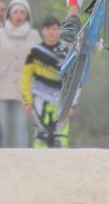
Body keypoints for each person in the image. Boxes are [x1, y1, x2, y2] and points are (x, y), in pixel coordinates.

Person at [0, 0, 41, 148]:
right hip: (0, 89)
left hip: (25, 92)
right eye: (15, 12)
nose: (19, 15)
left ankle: (22, 162)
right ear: (9, 15)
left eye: (22, 12)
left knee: (21, 129)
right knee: (0, 128)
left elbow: (39, 64)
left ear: (27, 15)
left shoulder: (34, 35)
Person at [21, 16, 74, 148]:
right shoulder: (35, 52)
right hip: (40, 99)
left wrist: (73, 104)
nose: (51, 32)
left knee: (61, 137)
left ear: (59, 31)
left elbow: (75, 80)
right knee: (40, 135)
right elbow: (26, 77)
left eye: (55, 29)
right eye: (49, 29)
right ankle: (38, 165)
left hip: (61, 101)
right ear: (43, 31)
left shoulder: (68, 52)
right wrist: (27, 101)